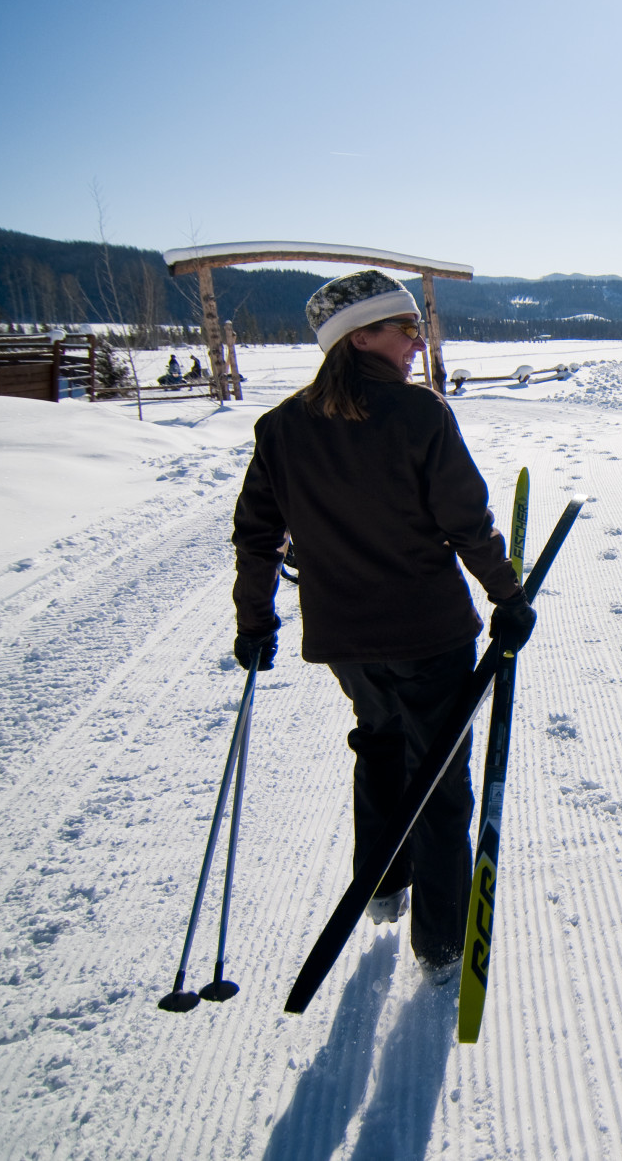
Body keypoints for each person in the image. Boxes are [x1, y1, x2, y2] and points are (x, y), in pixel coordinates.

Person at [231, 269, 536, 978]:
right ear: (359, 336)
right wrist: (507, 597)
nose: (416, 342)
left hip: (346, 641)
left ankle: (382, 885)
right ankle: (441, 941)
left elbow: (255, 536)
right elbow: (466, 521)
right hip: (429, 633)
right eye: (405, 329)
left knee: (380, 747)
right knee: (438, 780)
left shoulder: (281, 427)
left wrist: (256, 621)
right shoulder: (419, 414)